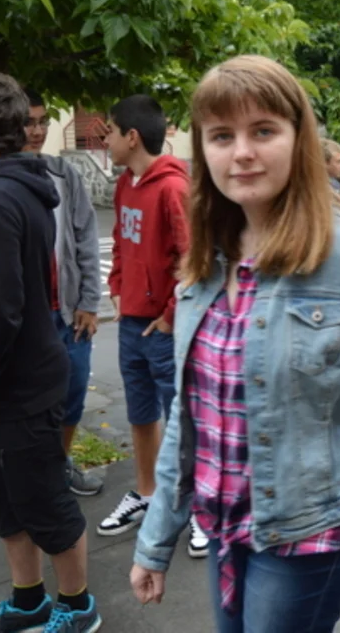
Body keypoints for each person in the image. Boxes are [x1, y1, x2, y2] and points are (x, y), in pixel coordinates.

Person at [129, 54, 340, 632]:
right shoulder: (204, 263)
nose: (242, 152)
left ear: (298, 140)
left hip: (311, 530)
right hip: (225, 521)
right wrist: (155, 541)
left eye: (263, 131)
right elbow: (187, 419)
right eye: (221, 136)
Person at [0, 73, 100, 633]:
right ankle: (28, 600)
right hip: (9, 383)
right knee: (5, 500)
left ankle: (78, 607)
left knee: (44, 502)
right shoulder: (14, 187)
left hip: (15, 385)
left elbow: (1, 307)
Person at [99, 94, 209, 556]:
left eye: (108, 131)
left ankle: (199, 507)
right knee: (141, 414)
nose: (104, 140)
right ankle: (147, 494)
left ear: (131, 137)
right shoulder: (126, 184)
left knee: (182, 419)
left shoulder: (172, 188)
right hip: (132, 324)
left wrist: (169, 318)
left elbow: (193, 259)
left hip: (165, 331)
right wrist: (117, 287)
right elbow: (121, 243)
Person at [23, 88, 105, 497]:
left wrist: (89, 302)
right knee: (27, 403)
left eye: (42, 122)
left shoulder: (62, 174)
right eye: (28, 122)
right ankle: (30, 477)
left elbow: (85, 238)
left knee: (72, 394)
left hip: (68, 312)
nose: (37, 131)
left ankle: (59, 466)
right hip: (25, 319)